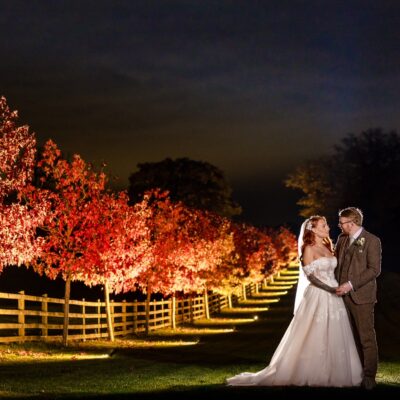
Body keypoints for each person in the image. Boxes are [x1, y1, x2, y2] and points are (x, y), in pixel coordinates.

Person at [226, 215, 362, 387]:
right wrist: (329, 289)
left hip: (335, 295)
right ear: (313, 229)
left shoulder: (329, 246)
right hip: (319, 294)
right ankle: (312, 371)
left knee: (336, 332)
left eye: (326, 225)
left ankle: (336, 372)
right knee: (315, 332)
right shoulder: (308, 249)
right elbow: (311, 277)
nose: (328, 227)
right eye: (323, 225)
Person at [335, 207, 381, 390]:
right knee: (349, 338)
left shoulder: (372, 241)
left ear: (351, 223)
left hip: (361, 297)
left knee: (365, 337)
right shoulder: (341, 239)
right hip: (341, 298)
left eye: (341, 223)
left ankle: (369, 376)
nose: (339, 225)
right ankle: (355, 373)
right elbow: (337, 264)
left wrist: (351, 284)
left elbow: (374, 270)